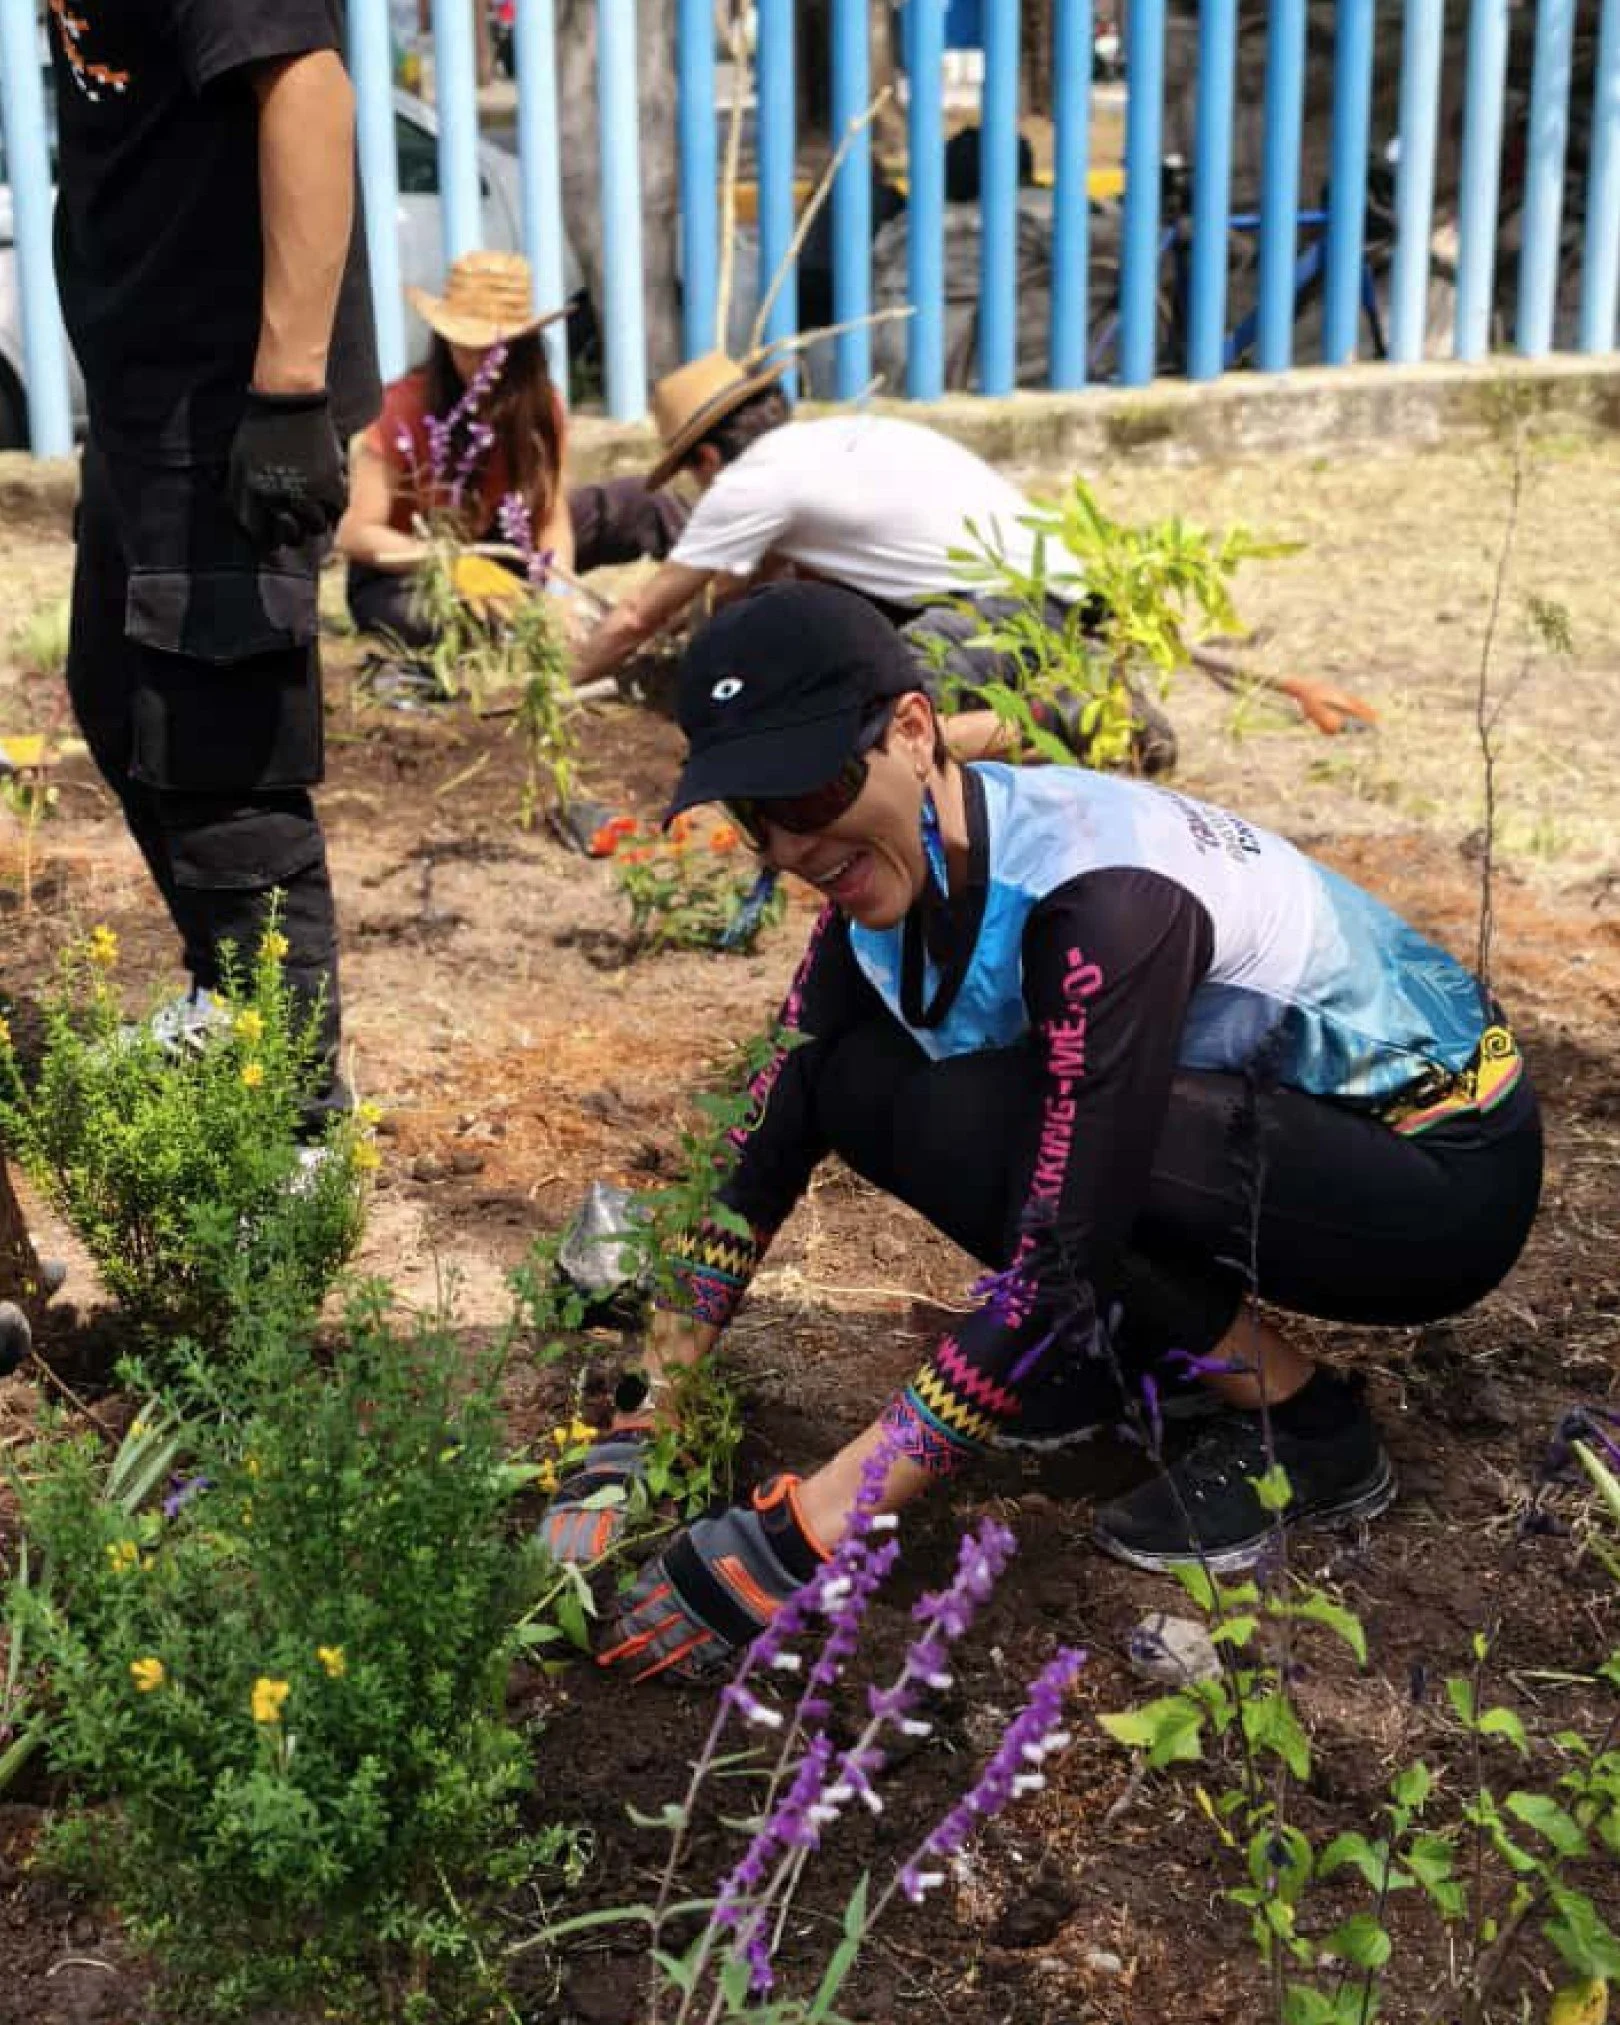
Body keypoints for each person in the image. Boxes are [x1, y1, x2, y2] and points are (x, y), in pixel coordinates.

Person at [538, 583, 1542, 1683]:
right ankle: (1139, 1356)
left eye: (812, 788)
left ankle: (1309, 1433)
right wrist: (645, 1417)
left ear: (913, 734)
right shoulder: (894, 870)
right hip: (1262, 1138)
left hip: (1440, 1175)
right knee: (862, 1081)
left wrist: (811, 1531)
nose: (788, 844)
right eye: (752, 816)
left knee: (1034, 1142)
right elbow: (762, 1147)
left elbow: (1060, 1250)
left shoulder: (1099, 899)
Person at [51, 0, 379, 1112]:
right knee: (117, 695)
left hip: (226, 403)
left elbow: (306, 88)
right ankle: (229, 1002)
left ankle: (291, 1125)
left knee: (222, 751)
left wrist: (287, 394)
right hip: (148, 400)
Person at [567, 353, 1176, 773]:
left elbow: (634, 616)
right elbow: (742, 589)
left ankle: (1070, 719)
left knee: (860, 741)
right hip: (1057, 602)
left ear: (704, 456)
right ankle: (1081, 693)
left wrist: (562, 680)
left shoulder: (752, 482)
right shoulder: (831, 445)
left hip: (1001, 607)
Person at [337, 250, 688, 657]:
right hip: (410, 565)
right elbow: (357, 534)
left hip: (506, 544)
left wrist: (559, 590)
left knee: (644, 504)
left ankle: (713, 596)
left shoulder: (540, 406)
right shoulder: (402, 407)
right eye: (463, 346)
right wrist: (453, 564)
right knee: (445, 622)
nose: (474, 362)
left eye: (489, 349)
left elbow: (551, 516)